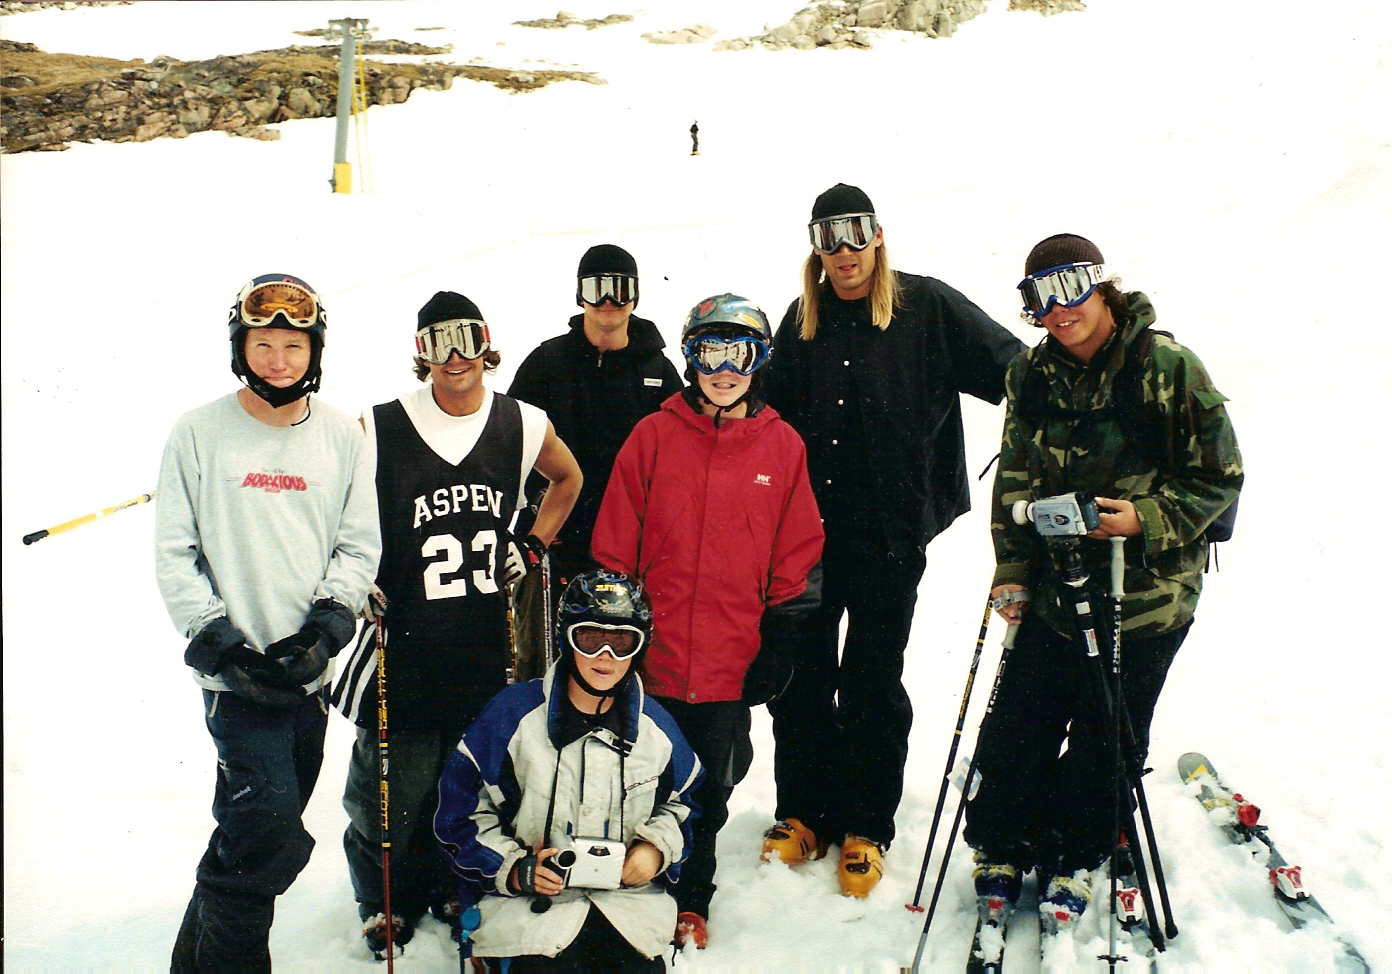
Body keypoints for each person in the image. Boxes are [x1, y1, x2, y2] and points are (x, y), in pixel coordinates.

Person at [963, 233, 1243, 929]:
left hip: (1144, 599)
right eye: (1040, 298)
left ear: (1101, 285)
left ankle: (1075, 850)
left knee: (1105, 735)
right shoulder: (1031, 376)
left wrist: (1143, 518)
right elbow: (1017, 481)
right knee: (1019, 724)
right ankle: (1001, 841)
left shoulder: (1166, 367)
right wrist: (1013, 571)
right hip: (1058, 592)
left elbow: (1220, 475)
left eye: (1071, 287)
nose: (1060, 310)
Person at [759, 183, 1025, 896]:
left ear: (878, 235)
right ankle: (805, 813)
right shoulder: (801, 321)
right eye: (828, 236)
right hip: (808, 537)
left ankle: (866, 827)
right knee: (805, 677)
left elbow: (1016, 371)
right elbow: (764, 417)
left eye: (856, 232)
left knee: (872, 679)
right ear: (814, 249)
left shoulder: (927, 307)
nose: (844, 251)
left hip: (888, 534)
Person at [334, 290, 582, 958]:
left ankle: (453, 882)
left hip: (482, 641)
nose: (454, 357)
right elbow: (333, 507)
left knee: (466, 781)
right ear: (421, 351)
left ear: (485, 341)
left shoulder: (522, 423)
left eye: (466, 339)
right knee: (395, 785)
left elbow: (567, 479)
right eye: (438, 341)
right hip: (407, 640)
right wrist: (355, 577)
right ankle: (382, 898)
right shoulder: (379, 424)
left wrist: (530, 546)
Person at [158, 273, 381, 972]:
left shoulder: (344, 436)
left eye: (292, 345)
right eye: (263, 343)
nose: (278, 359)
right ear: (241, 345)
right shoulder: (199, 432)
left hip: (306, 678)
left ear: (313, 351)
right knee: (267, 830)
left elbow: (357, 545)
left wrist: (324, 631)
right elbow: (174, 553)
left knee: (251, 836)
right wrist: (221, 643)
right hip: (236, 681)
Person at [591, 294, 825, 944]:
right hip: (654, 656)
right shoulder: (654, 436)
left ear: (760, 361)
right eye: (709, 353)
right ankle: (636, 883)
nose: (724, 369)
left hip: (730, 658)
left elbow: (797, 550)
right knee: (642, 776)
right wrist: (617, 633)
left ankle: (693, 894)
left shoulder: (781, 448)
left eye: (740, 354)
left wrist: (781, 636)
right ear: (689, 358)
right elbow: (615, 542)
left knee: (711, 787)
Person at [434, 569, 703, 972]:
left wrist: (655, 849)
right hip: (529, 913)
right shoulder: (512, 718)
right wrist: (515, 870)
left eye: (622, 642)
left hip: (626, 911)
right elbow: (461, 816)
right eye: (591, 639)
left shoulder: (656, 730)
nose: (606, 658)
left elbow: (685, 807)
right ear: (567, 638)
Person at [506, 245, 682, 682]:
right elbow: (506, 445)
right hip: (552, 545)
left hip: (627, 552)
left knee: (615, 666)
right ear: (579, 296)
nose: (608, 301)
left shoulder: (658, 371)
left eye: (619, 290)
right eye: (596, 288)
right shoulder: (546, 363)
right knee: (539, 665)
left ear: (636, 297)